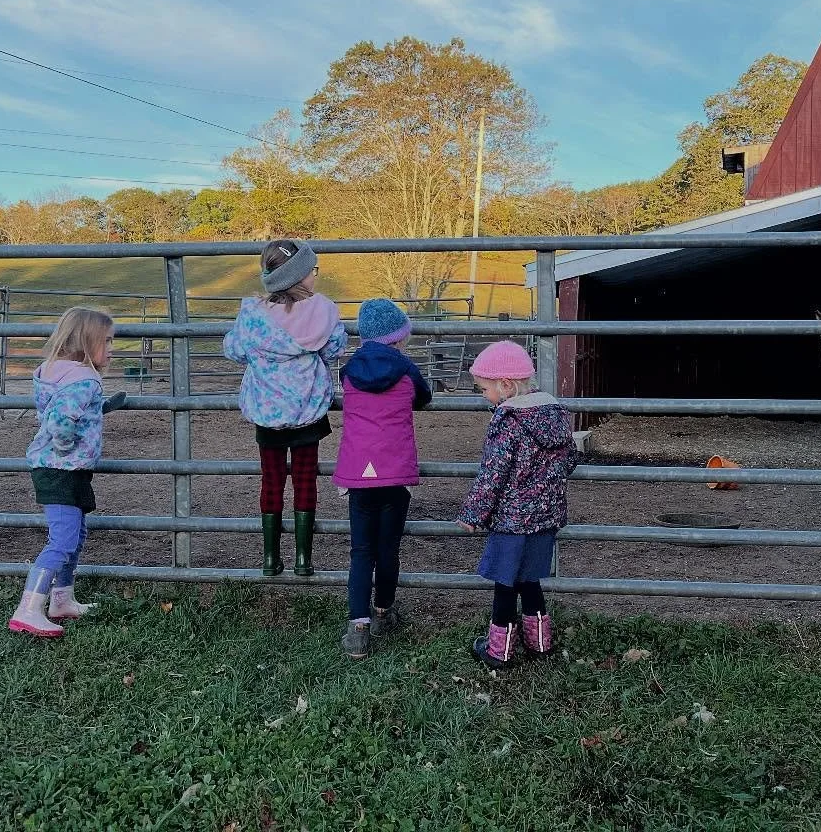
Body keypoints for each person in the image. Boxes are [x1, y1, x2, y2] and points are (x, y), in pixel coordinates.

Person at [224, 240, 347, 577]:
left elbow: (234, 350)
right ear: (300, 276)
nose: (315, 277)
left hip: (267, 413)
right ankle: (304, 560)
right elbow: (334, 347)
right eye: (312, 271)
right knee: (306, 481)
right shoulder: (322, 311)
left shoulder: (253, 315)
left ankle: (270, 559)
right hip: (308, 411)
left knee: (272, 480)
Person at [456, 341, 578, 667]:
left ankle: (498, 651)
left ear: (506, 385)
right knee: (530, 580)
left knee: (506, 584)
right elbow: (569, 461)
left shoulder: (507, 421)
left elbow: (492, 474)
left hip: (512, 521)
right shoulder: (553, 415)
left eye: (484, 388)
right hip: (546, 518)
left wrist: (473, 513)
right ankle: (540, 643)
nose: (483, 395)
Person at [9, 306, 124, 638]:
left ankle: (62, 599)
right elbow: (61, 419)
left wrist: (101, 407)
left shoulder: (54, 372)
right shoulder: (84, 379)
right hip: (62, 467)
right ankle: (29, 609)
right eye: (107, 341)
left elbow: (64, 406)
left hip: (63, 469)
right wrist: (63, 444)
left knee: (75, 536)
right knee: (61, 540)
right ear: (87, 343)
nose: (112, 349)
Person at [333, 299, 432, 659]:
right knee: (388, 547)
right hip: (394, 471)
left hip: (358, 472)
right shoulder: (405, 368)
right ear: (398, 337)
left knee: (361, 551)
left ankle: (357, 627)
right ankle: (383, 611)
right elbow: (424, 396)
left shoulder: (349, 370)